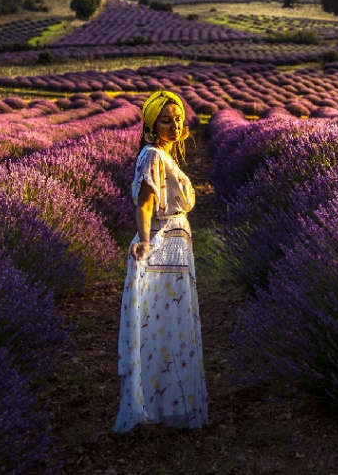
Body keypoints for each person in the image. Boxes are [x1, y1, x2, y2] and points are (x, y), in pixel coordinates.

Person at [113, 90, 208, 433]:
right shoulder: (152, 154)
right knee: (159, 323)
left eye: (178, 118)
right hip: (162, 247)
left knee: (172, 326)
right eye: (165, 119)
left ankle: (169, 401)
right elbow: (144, 202)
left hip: (176, 249)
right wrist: (143, 241)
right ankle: (155, 404)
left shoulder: (165, 155)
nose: (174, 124)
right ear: (152, 124)